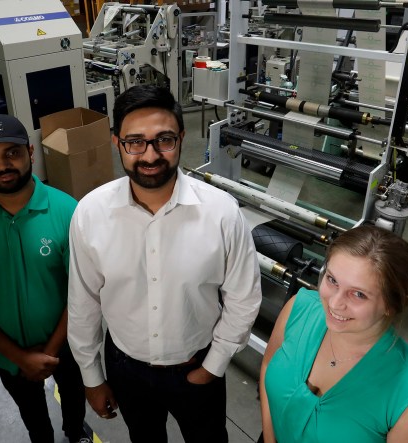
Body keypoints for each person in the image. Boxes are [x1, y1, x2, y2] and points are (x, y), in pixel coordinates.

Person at [67, 85, 262, 443]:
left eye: (164, 140)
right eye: (135, 142)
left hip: (197, 365)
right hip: (125, 368)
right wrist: (92, 377)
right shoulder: (90, 214)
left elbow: (243, 299)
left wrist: (213, 366)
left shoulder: (221, 213)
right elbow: (84, 303)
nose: (150, 154)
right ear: (117, 143)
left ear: (182, 139)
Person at [0, 114, 90, 443]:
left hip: (68, 344)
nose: (2, 165)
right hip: (8, 354)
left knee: (73, 395)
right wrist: (19, 357)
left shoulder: (68, 212)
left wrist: (51, 352)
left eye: (12, 152)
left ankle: (74, 431)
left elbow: (82, 291)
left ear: (30, 153)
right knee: (32, 414)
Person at [260, 225, 408, 443]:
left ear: (392, 304)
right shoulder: (298, 308)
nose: (335, 303)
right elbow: (267, 366)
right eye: (332, 280)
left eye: (358, 294)